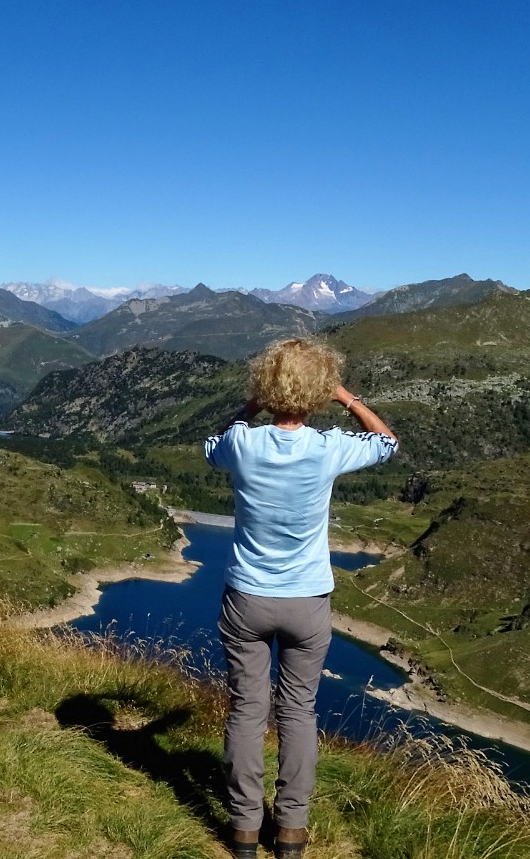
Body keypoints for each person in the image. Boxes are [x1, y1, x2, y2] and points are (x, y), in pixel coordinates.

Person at [204, 338, 397, 858]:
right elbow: (387, 443)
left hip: (246, 596)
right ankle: (291, 831)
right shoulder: (329, 447)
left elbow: (213, 442)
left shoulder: (243, 444)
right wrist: (347, 398)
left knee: (246, 710)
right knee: (298, 712)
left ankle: (244, 829)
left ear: (268, 385)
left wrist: (251, 405)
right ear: (317, 391)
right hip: (307, 600)